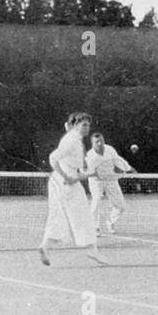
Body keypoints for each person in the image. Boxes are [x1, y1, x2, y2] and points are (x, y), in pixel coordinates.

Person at [38, 113, 104, 266]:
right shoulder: (72, 141)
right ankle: (92, 250)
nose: (87, 128)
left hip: (60, 182)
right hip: (64, 183)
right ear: (75, 126)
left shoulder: (74, 140)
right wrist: (66, 177)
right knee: (83, 216)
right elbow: (53, 158)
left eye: (88, 125)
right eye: (84, 125)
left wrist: (91, 173)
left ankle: (45, 247)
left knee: (58, 217)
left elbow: (77, 172)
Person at [86, 132, 136, 235]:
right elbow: (89, 172)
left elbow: (118, 161)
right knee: (96, 202)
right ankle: (95, 228)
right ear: (92, 143)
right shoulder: (90, 156)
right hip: (96, 181)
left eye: (101, 141)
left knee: (121, 206)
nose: (100, 143)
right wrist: (96, 174)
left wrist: (129, 168)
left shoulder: (110, 150)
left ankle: (110, 221)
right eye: (97, 142)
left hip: (111, 179)